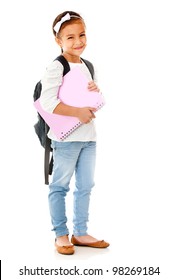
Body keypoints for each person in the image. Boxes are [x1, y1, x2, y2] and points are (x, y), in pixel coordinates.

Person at [40, 11, 109, 255]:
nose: (78, 41)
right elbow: (47, 102)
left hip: (89, 137)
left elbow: (90, 100)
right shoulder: (56, 67)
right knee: (60, 186)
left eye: (82, 34)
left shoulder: (87, 65)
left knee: (86, 185)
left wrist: (94, 93)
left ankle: (80, 232)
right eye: (70, 37)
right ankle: (61, 234)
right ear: (58, 40)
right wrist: (78, 111)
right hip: (66, 139)